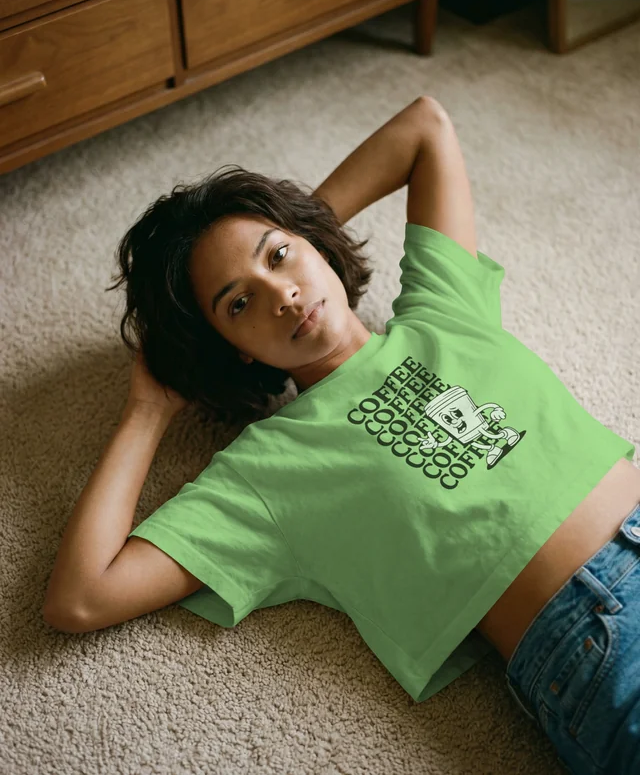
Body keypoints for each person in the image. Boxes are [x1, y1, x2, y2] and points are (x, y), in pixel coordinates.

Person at [43, 96, 639, 774]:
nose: (283, 296)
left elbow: (425, 127)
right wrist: (147, 412)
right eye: (238, 303)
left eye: (279, 257)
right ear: (231, 347)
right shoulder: (270, 469)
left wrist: (300, 233)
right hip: (597, 631)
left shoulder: (441, 309)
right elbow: (81, 595)